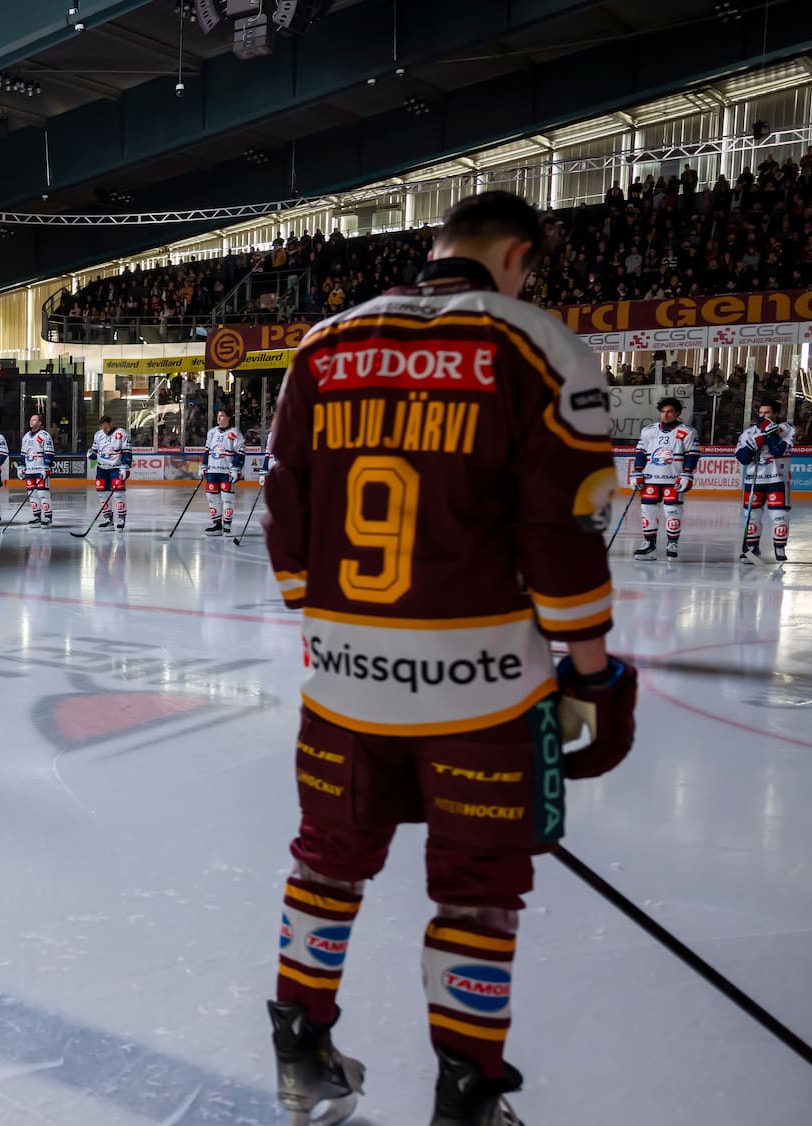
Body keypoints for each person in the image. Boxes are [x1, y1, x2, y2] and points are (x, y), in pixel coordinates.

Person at [260, 191, 637, 1126]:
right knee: (477, 894)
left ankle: (301, 1056)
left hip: (343, 684)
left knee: (325, 864)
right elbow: (562, 532)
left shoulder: (326, 344)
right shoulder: (534, 342)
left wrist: (332, 628)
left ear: (438, 249)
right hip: (482, 692)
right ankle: (466, 1095)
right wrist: (592, 672)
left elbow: (284, 508)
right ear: (517, 256)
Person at [630, 397, 700, 561]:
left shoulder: (687, 432)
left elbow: (693, 454)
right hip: (650, 478)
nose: (665, 415)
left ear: (677, 413)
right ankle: (649, 544)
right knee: (648, 511)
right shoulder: (649, 431)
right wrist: (637, 471)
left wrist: (687, 472)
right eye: (663, 411)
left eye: (669, 411)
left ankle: (672, 543)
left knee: (672, 511)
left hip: (673, 479)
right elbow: (640, 453)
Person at [736, 401, 797, 564]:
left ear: (775, 414)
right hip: (753, 480)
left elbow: (778, 450)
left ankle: (779, 547)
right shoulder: (748, 433)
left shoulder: (786, 429)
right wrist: (759, 438)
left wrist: (770, 434)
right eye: (761, 413)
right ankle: (752, 547)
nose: (762, 416)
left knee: (780, 516)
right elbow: (742, 458)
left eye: (767, 413)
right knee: (752, 515)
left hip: (777, 479)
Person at [203, 407, 246, 535]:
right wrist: (204, 466)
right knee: (212, 497)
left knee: (227, 498)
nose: (218, 418)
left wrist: (236, 468)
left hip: (226, 472)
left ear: (228, 418)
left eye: (222, 415)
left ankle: (227, 525)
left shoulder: (234, 432)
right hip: (212, 471)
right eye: (218, 415)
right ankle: (217, 525)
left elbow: (240, 452)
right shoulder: (212, 432)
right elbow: (207, 450)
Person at [88, 413, 129, 531]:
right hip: (101, 469)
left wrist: (126, 466)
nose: (104, 430)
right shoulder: (98, 435)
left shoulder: (121, 434)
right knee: (102, 494)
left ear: (111, 424)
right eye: (102, 427)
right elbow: (94, 451)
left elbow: (127, 451)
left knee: (118, 494)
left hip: (116, 468)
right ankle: (107, 518)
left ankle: (121, 518)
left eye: (106, 427)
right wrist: (91, 455)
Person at [19, 414, 54, 527]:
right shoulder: (26, 437)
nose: (31, 422)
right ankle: (36, 517)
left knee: (43, 494)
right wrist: (21, 466)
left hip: (40, 470)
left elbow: (49, 452)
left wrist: (47, 466)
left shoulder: (44, 436)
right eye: (30, 419)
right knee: (32, 494)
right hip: (29, 471)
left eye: (34, 420)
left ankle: (48, 517)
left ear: (39, 423)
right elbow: (23, 454)